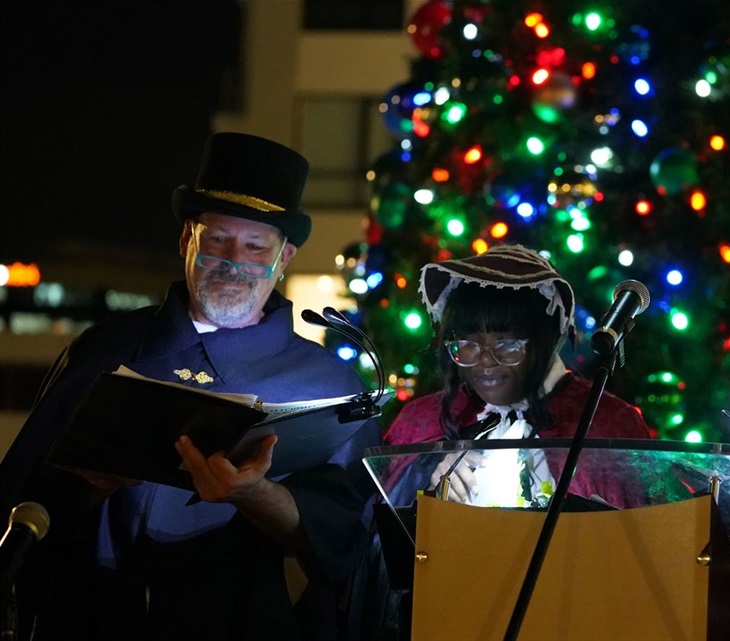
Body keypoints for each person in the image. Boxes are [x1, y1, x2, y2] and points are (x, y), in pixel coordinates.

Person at [0, 132, 380, 640]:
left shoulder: (330, 384)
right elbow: (21, 504)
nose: (233, 262)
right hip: (93, 619)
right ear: (187, 241)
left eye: (255, 246)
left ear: (283, 258)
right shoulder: (106, 350)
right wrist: (90, 486)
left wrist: (255, 494)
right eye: (217, 239)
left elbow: (345, 542)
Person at [382, 244, 653, 507]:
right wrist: (429, 475)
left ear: (547, 343)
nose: (485, 361)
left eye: (508, 344)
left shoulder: (606, 422)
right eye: (467, 344)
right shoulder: (420, 419)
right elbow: (378, 524)